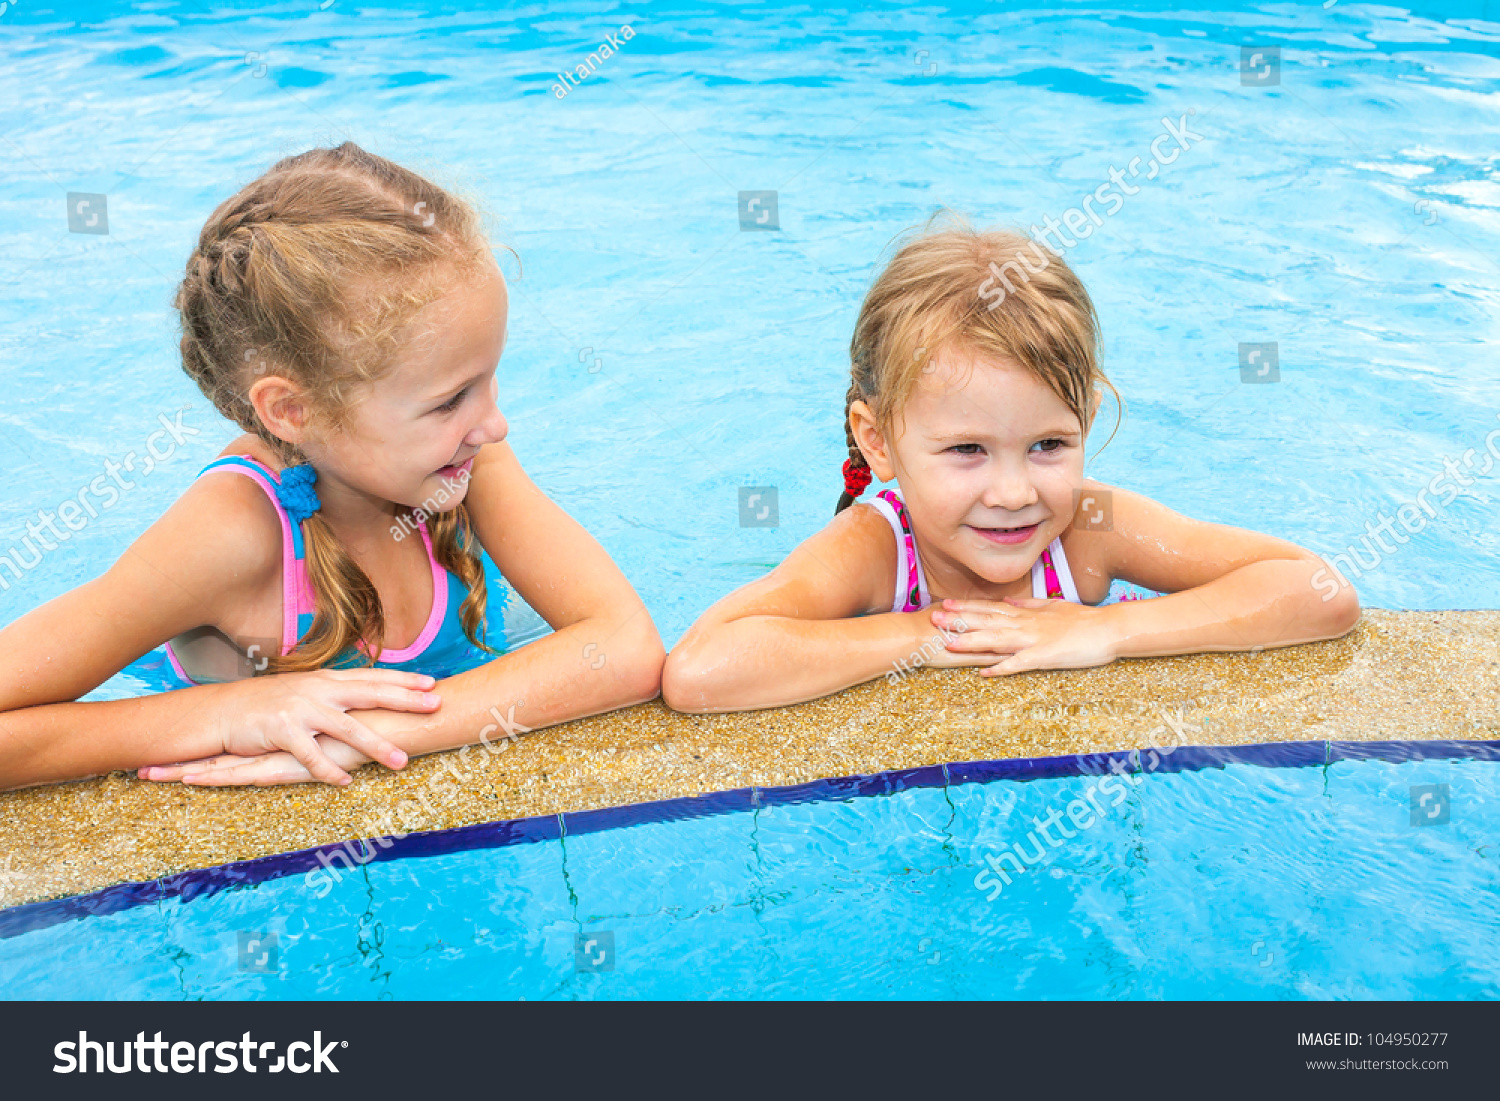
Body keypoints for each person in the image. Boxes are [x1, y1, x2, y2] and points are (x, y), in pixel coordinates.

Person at [0, 142, 664, 791]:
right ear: (292, 410)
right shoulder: (230, 536)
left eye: (490, 379)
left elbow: (625, 646)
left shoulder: (469, 459)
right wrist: (227, 712)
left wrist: (374, 734)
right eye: (450, 399)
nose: (494, 424)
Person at [662, 213, 1359, 713]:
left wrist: (1104, 632)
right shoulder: (874, 551)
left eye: (1048, 445)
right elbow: (702, 668)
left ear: (1086, 417)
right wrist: (926, 637)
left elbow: (1319, 591)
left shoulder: (1091, 526)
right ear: (878, 441)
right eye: (967, 450)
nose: (1014, 491)